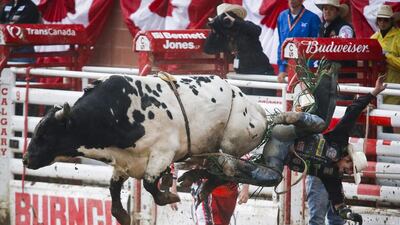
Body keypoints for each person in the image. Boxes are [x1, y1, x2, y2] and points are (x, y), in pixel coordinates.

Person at [307, 1, 354, 224]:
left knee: (321, 208)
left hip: (340, 83)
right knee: (322, 208)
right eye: (324, 9)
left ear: (337, 11)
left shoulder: (343, 28)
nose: (326, 12)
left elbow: (344, 48)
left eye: (329, 9)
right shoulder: (324, 29)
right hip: (319, 164)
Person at [204, 3, 275, 95]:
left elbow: (257, 30)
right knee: (245, 105)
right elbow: (209, 49)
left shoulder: (246, 27)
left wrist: (234, 22)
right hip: (242, 76)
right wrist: (214, 30)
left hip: (261, 73)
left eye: (229, 17)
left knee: (263, 105)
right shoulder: (224, 35)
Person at [276, 0, 321, 83]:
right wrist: (282, 69)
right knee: (287, 95)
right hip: (287, 68)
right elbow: (281, 45)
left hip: (305, 70)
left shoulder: (312, 18)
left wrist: (307, 70)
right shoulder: (282, 16)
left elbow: (316, 48)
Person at [371, 5, 400, 107]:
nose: (382, 23)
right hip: (376, 85)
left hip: (395, 85)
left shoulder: (398, 37)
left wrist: (387, 56)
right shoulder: (373, 38)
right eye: (380, 20)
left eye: (386, 20)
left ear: (391, 21)